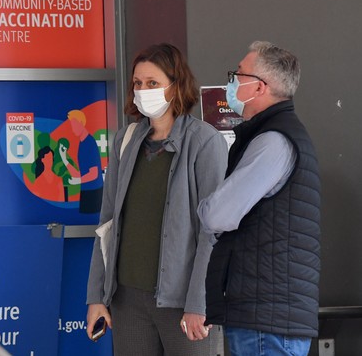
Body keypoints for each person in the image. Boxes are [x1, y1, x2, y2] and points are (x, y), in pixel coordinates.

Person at [86, 43, 228, 355]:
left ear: (177, 86)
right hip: (127, 302)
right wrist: (97, 296)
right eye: (138, 83)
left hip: (183, 304)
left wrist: (200, 302)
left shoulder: (205, 142)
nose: (143, 90)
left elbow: (213, 232)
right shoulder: (125, 140)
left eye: (153, 83)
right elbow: (107, 223)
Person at [198, 41, 321, 356]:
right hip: (268, 314)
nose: (231, 82)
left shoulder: (273, 140)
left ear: (260, 87)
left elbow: (218, 215)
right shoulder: (275, 134)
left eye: (238, 74)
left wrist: (201, 205)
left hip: (267, 320)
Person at [59, 110, 103, 214]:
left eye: (74, 124)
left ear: (81, 123)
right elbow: (79, 174)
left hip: (93, 193)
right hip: (86, 192)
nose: (72, 128)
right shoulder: (82, 143)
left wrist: (77, 181)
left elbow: (94, 174)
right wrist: (64, 159)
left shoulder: (89, 143)